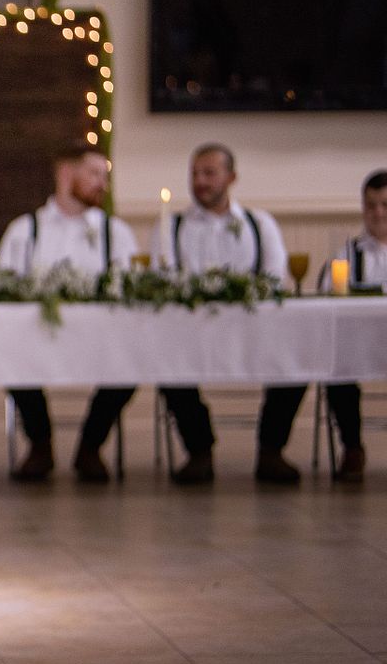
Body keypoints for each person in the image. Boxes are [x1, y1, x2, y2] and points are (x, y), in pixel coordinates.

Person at [149, 143, 302, 484]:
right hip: (190, 334)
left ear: (231, 177)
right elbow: (164, 281)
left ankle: (271, 450)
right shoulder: (171, 227)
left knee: (297, 359)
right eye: (195, 174)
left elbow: (275, 276)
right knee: (165, 361)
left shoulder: (259, 224)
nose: (200, 181)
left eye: (209, 173)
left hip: (256, 330)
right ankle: (199, 450)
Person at [0, 143, 139, 482]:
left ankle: (91, 445)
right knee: (11, 360)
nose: (102, 183)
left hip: (101, 341)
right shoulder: (25, 230)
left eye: (105, 176)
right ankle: (40, 444)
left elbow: (130, 286)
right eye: (93, 174)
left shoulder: (114, 233)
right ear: (65, 173)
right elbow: (3, 289)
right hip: (36, 341)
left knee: (131, 365)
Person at [315, 168, 387, 483]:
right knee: (337, 369)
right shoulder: (347, 255)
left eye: (385, 205)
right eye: (370, 205)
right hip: (358, 344)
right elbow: (330, 299)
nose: (377, 213)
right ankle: (352, 447)